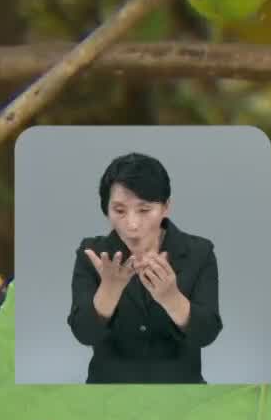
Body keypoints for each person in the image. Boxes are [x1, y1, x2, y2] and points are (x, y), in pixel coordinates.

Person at [67, 152, 222, 382]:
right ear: (106, 209)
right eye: (119, 211)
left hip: (181, 394)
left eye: (144, 210)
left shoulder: (199, 253)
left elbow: (207, 333)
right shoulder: (93, 255)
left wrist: (171, 298)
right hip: (108, 396)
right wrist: (109, 291)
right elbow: (83, 333)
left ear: (165, 207)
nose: (132, 224)